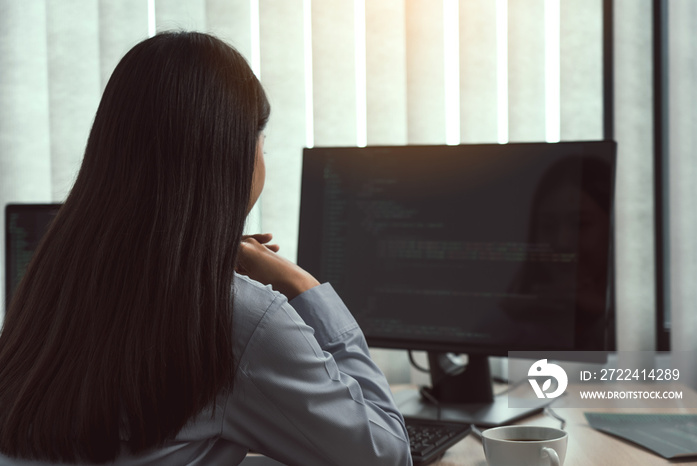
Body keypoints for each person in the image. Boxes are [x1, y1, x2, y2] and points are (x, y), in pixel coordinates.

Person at [0, 32, 411, 466]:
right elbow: (386, 456)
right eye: (261, 143)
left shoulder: (52, 284)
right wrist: (300, 285)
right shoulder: (237, 319)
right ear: (232, 158)